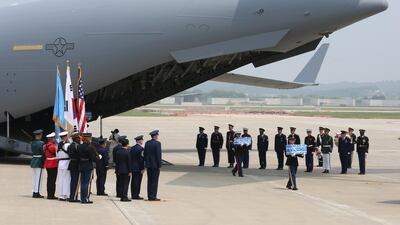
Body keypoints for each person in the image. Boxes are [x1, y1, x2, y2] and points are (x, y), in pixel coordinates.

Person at [78, 133, 99, 204]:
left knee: (82, 183)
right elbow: (92, 158)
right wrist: (97, 158)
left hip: (81, 165)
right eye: (90, 138)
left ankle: (82, 198)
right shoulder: (90, 147)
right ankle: (85, 198)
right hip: (88, 165)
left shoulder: (79, 146)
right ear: (88, 138)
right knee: (86, 183)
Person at [144, 130, 162, 201]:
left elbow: (145, 154)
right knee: (154, 181)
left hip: (149, 165)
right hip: (155, 165)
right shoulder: (157, 143)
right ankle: (153, 196)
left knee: (149, 181)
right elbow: (158, 155)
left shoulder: (147, 143)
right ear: (155, 136)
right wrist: (159, 164)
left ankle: (149, 195)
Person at [30, 129, 45, 198]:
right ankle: (37, 192)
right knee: (39, 178)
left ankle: (34, 191)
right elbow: (42, 153)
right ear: (39, 135)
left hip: (33, 160)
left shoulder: (32, 143)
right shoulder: (41, 143)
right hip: (39, 161)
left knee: (34, 178)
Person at [43, 132, 58, 200]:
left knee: (49, 180)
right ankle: (51, 195)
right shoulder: (53, 147)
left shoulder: (45, 146)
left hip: (47, 163)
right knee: (52, 180)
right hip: (53, 164)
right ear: (51, 139)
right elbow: (56, 154)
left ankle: (49, 194)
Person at [56, 131, 71, 201]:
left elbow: (57, 155)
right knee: (66, 179)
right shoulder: (67, 145)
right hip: (66, 162)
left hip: (60, 163)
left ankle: (61, 195)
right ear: (65, 137)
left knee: (61, 179)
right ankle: (66, 194)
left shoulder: (59, 145)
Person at [130, 135, 145, 200]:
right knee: (137, 181)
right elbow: (141, 159)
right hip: (138, 168)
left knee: (133, 181)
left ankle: (133, 194)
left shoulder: (132, 148)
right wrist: (142, 168)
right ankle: (136, 195)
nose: (142, 141)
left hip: (133, 167)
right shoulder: (141, 149)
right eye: (142, 140)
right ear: (139, 141)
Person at [67, 133, 81, 202]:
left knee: (73, 181)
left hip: (71, 164)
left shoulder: (70, 146)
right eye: (79, 138)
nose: (80, 139)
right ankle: (73, 197)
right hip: (76, 164)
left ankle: (71, 196)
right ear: (76, 139)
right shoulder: (77, 146)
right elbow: (79, 155)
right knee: (75, 181)